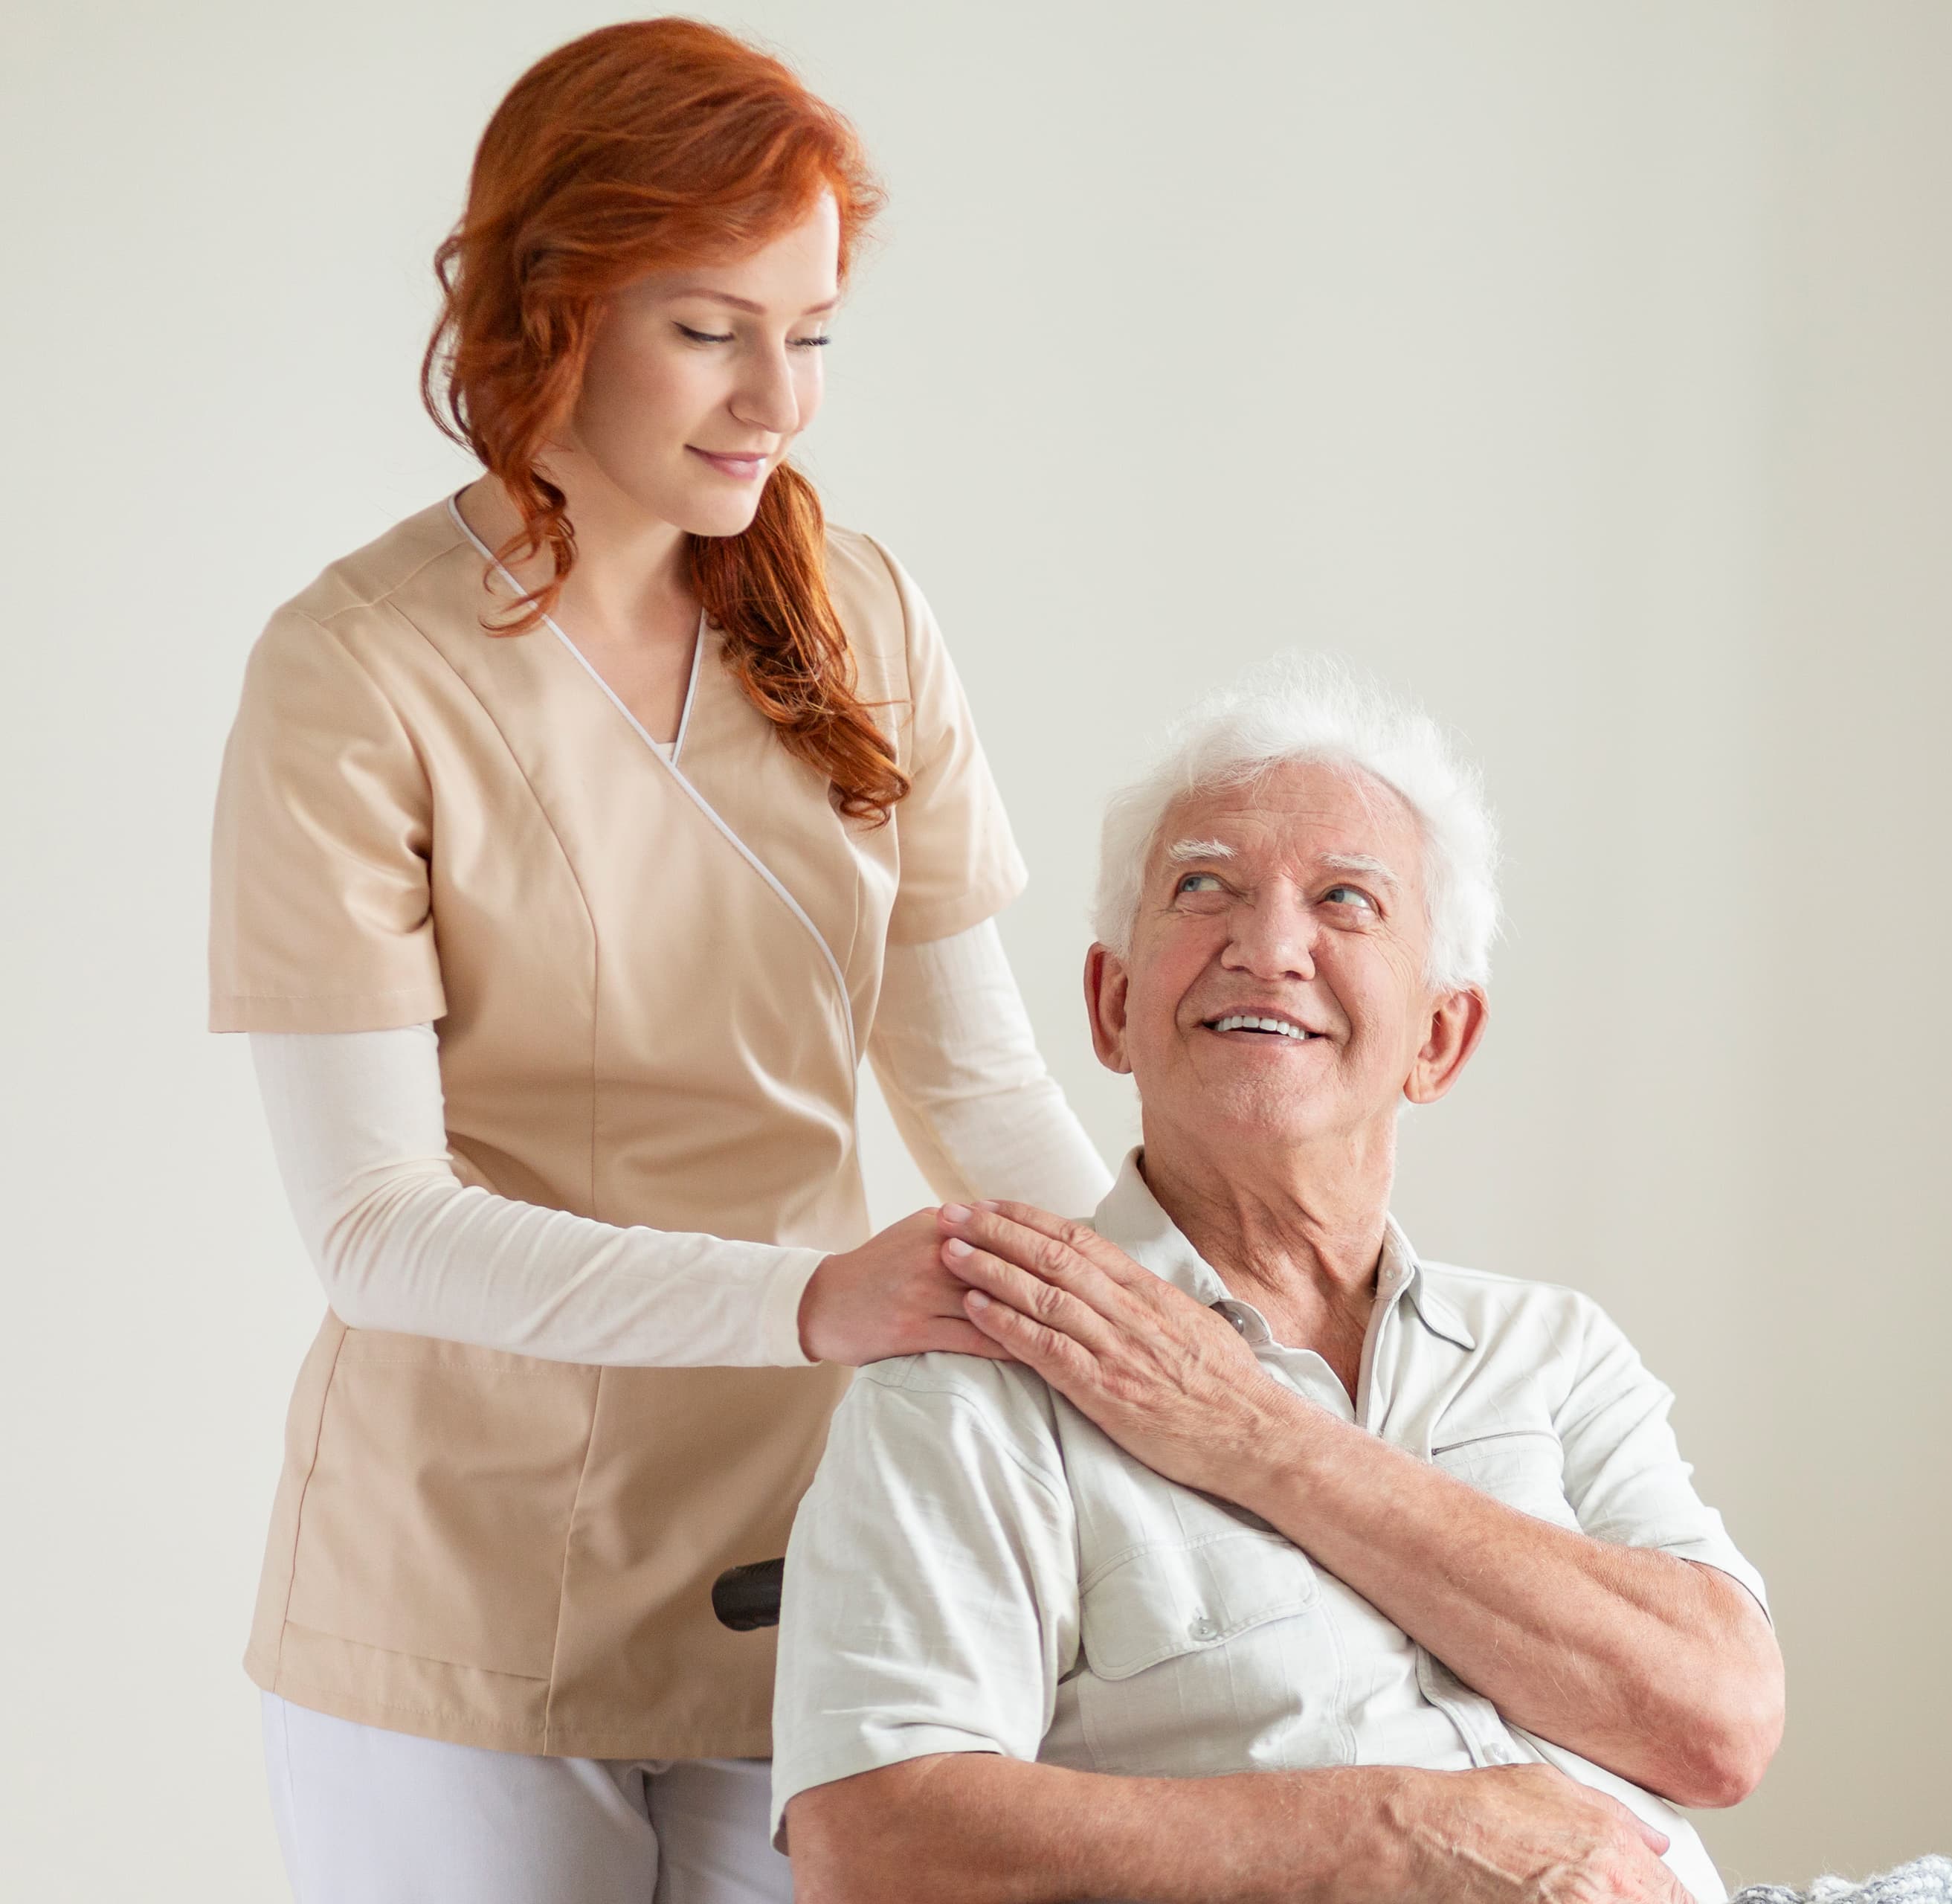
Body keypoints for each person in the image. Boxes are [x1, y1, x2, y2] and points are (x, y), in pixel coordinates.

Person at [208, 22, 1108, 1903]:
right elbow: (374, 1225)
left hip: (806, 1561)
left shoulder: (857, 617)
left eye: (817, 333)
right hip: (458, 1592)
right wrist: (818, 1298)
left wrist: (1213, 1344)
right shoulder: (356, 672)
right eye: (713, 329)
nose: (780, 397)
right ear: (550, 311)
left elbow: (981, 1091)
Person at [770, 663, 1786, 1904]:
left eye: (1346, 900)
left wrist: (1263, 1440)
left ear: (1439, 1038)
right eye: (1205, 888)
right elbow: (870, 1843)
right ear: (1112, 1004)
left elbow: (1722, 1726)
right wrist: (1392, 1836)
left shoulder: (1556, 1352)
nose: (1267, 948)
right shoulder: (980, 1373)